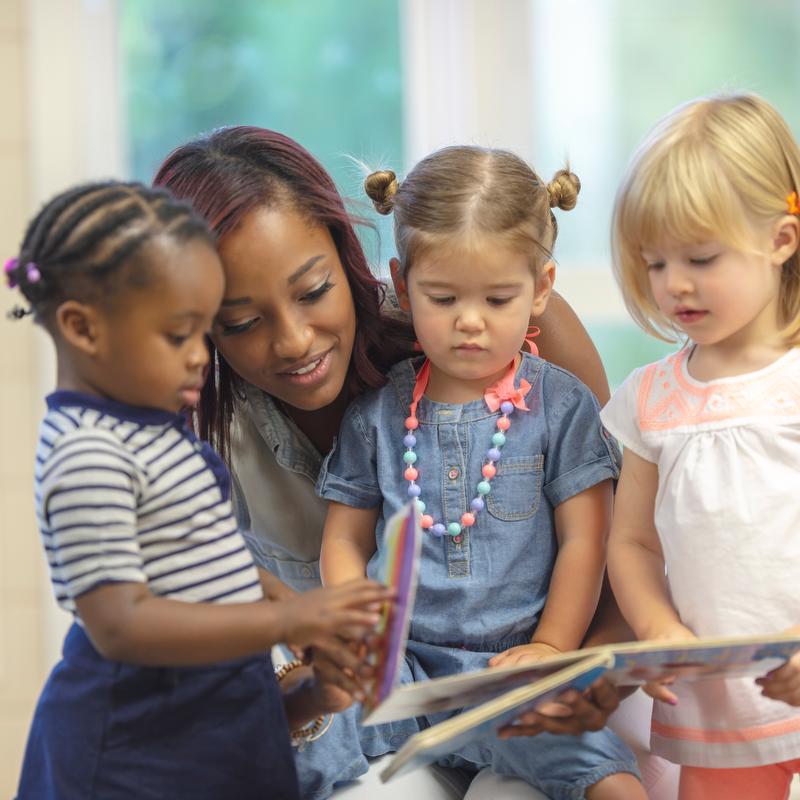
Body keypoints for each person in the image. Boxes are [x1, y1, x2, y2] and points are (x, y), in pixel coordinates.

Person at [153, 127, 658, 800]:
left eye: (312, 291)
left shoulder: (538, 368)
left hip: (532, 678)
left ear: (352, 258)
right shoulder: (228, 436)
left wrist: (556, 660)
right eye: (241, 323)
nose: (295, 341)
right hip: (393, 687)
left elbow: (606, 545)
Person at [8, 181, 393, 800]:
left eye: (206, 333)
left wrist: (310, 660)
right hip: (128, 761)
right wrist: (290, 614)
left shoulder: (157, 430)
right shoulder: (87, 452)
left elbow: (226, 568)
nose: (199, 358)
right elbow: (120, 626)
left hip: (218, 743)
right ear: (82, 327)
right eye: (180, 335)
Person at [313, 145, 645, 800]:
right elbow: (345, 539)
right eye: (443, 297)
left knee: (609, 780)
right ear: (402, 286)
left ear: (542, 287)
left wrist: (552, 649)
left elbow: (588, 539)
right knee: (306, 757)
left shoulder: (561, 406)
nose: (470, 320)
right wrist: (361, 632)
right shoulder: (376, 415)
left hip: (512, 674)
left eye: (498, 298)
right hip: (405, 673)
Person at [602, 92, 800, 800]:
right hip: (721, 713)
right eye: (655, 263)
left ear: (781, 239)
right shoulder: (650, 399)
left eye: (700, 257)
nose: (673, 284)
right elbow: (630, 543)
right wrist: (656, 627)